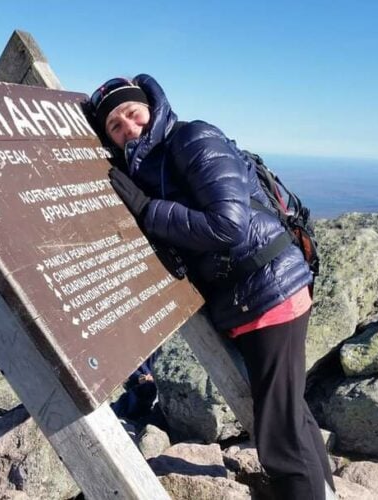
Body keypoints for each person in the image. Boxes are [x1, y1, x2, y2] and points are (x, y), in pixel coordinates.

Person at [90, 75, 335, 499]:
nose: (129, 127)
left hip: (267, 291)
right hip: (258, 292)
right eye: (115, 125)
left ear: (151, 107)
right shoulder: (155, 161)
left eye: (132, 114)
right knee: (290, 413)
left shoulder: (190, 138)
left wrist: (149, 211)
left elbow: (228, 226)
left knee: (279, 439)